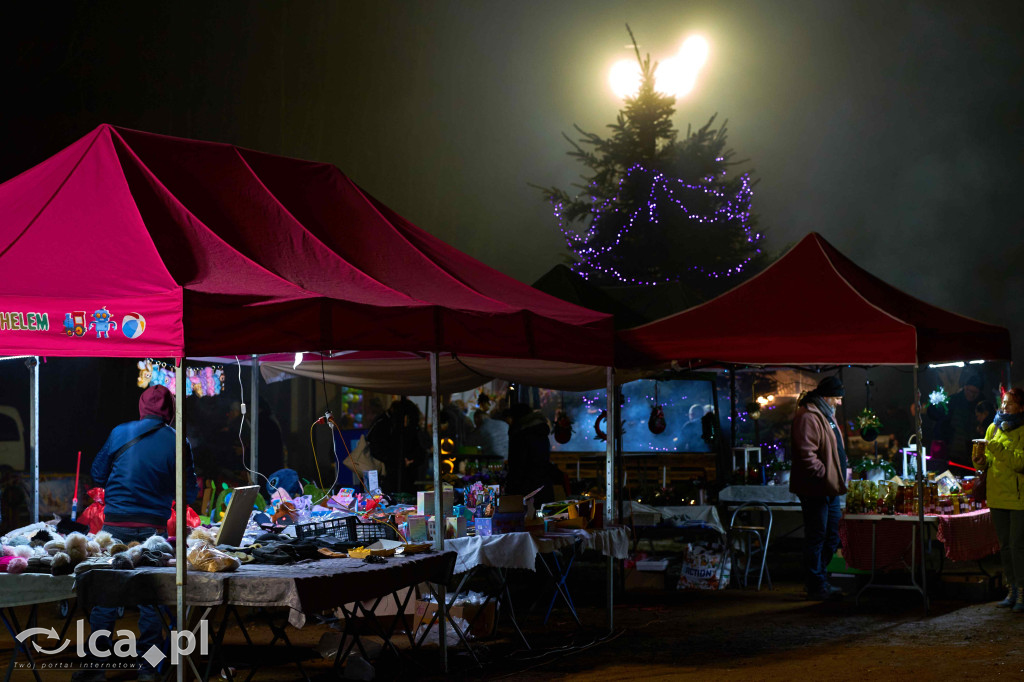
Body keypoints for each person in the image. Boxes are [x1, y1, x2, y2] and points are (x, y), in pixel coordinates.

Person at [80, 385, 199, 682]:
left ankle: (95, 667)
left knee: (106, 594)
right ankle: (149, 668)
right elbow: (189, 493)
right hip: (152, 530)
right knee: (152, 600)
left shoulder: (120, 432)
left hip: (114, 526)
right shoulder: (177, 440)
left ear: (141, 406)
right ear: (171, 411)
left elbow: (97, 473)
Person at [790, 375, 848, 601]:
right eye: (837, 398)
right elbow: (807, 455)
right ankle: (815, 584)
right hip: (816, 488)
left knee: (832, 535)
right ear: (826, 396)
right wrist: (825, 476)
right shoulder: (808, 416)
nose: (840, 402)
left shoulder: (826, 414)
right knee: (817, 535)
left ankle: (819, 578)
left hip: (829, 488)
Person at [972, 387, 1024, 613]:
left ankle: (1022, 591)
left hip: (1018, 498)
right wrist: (979, 460)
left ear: (1021, 407)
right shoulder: (992, 427)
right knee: (1004, 547)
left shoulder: (1022, 430)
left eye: (1009, 404)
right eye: (1003, 403)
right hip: (997, 496)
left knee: (1018, 546)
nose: (1004, 407)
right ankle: (1011, 589)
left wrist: (994, 447)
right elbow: (985, 463)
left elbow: (1020, 462)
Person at [366, 398, 426, 495]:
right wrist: (400, 461)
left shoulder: (388, 423)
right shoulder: (384, 424)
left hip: (400, 475)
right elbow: (379, 450)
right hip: (390, 475)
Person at [928, 370, 985, 470]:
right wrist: (933, 406)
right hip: (953, 451)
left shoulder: (982, 404)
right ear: (965, 388)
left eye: (975, 393)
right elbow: (936, 415)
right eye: (970, 391)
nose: (972, 395)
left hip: (973, 453)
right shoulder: (953, 401)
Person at [504, 402, 556, 504]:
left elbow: (518, 465)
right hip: (542, 487)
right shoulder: (540, 432)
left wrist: (511, 488)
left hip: (526, 490)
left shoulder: (522, 436)